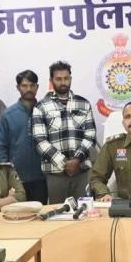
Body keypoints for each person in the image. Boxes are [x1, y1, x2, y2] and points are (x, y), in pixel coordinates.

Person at [31, 61, 97, 204]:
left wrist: (77, 160)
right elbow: (39, 141)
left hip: (81, 170)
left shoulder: (84, 104)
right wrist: (64, 163)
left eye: (66, 78)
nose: (63, 82)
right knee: (58, 212)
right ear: (51, 80)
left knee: (85, 211)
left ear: (70, 79)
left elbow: (90, 135)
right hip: (55, 172)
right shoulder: (41, 107)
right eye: (58, 79)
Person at [0, 70, 47, 204]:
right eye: (24, 86)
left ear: (37, 87)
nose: (28, 89)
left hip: (42, 176)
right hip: (16, 178)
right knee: (17, 214)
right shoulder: (8, 115)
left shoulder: (45, 111)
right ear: (18, 87)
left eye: (32, 85)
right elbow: (1, 147)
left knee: (40, 212)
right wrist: (5, 176)